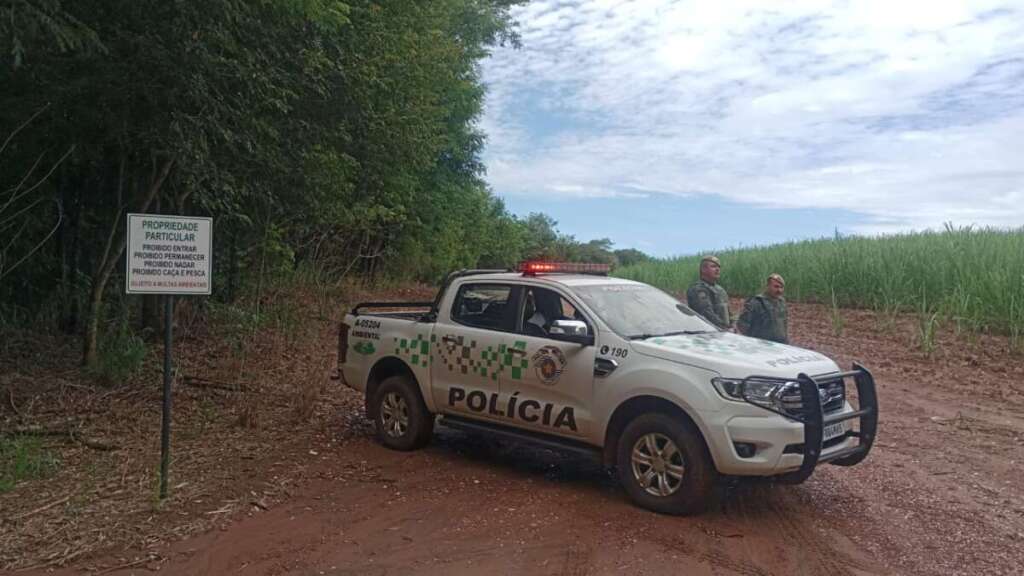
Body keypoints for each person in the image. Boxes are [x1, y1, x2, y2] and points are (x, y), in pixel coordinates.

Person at [737, 273, 788, 344]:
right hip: (761, 346)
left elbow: (784, 326)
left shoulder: (781, 303)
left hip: (779, 345)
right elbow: (742, 324)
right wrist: (752, 342)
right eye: (776, 287)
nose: (779, 290)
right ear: (768, 286)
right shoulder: (756, 302)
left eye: (781, 287)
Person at [686, 255, 731, 329]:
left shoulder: (720, 290)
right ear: (703, 269)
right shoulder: (697, 289)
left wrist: (733, 326)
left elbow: (729, 313)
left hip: (724, 333)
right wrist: (724, 328)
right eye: (713, 266)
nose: (717, 269)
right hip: (707, 333)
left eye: (718, 267)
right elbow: (706, 314)